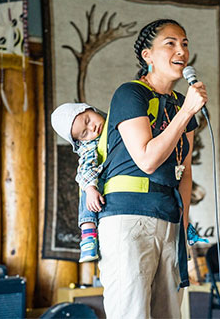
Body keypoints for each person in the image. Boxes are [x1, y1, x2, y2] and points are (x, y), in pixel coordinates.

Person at [96, 19, 207, 318]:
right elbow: (147, 159)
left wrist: (183, 222)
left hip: (169, 218)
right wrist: (185, 113)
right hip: (128, 218)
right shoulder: (130, 94)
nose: (181, 49)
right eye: (170, 43)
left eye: (184, 43)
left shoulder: (183, 105)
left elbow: (184, 168)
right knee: (131, 312)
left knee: (169, 313)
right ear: (147, 55)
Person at [51, 103, 106, 263]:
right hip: (98, 180)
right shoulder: (90, 145)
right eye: (85, 133)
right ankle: (88, 234)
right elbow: (86, 168)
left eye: (88, 120)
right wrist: (90, 188)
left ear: (90, 109)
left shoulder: (113, 120)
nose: (93, 129)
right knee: (85, 192)